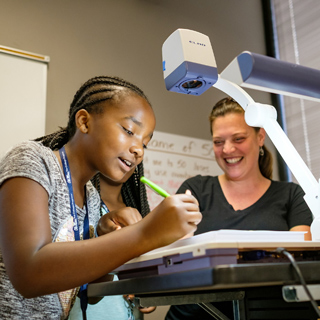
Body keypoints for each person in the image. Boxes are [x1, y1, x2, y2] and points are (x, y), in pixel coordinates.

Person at [0, 76, 202, 319]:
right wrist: (145, 233)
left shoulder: (91, 197)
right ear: (84, 122)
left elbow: (91, 293)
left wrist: (106, 236)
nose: (138, 149)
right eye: (129, 131)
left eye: (145, 144)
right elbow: (29, 274)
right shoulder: (33, 160)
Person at [165, 97, 313, 320]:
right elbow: (174, 257)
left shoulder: (291, 195)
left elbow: (299, 263)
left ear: (260, 137)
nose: (227, 149)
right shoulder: (195, 190)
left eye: (239, 138)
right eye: (218, 142)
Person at [69, 165, 156, 319]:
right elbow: (88, 292)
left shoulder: (139, 211)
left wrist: (150, 292)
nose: (136, 150)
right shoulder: (78, 203)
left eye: (143, 145)